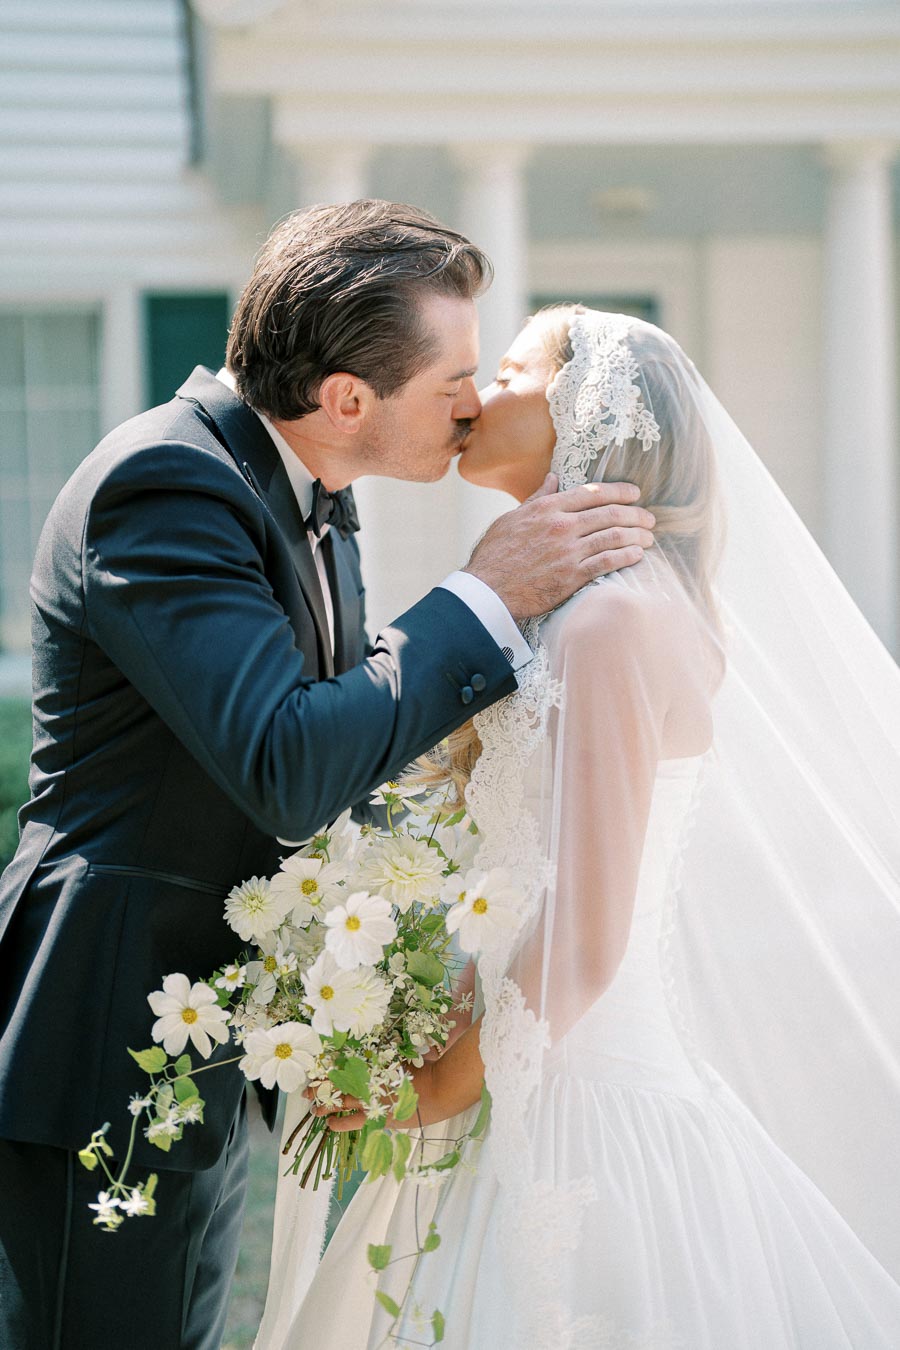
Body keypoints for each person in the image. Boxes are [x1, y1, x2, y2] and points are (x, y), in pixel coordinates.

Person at [0, 209, 657, 1350]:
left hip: (204, 1034)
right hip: (104, 1044)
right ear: (349, 400)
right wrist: (481, 597)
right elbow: (288, 761)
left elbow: (347, 751)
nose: (469, 400)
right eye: (455, 374)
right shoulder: (166, 485)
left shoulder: (316, 503)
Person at [266, 305, 900, 1348]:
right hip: (525, 1063)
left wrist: (429, 1086)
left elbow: (588, 936)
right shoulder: (581, 607)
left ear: (589, 420)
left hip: (581, 1106)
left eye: (512, 368)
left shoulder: (609, 622)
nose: (476, 394)